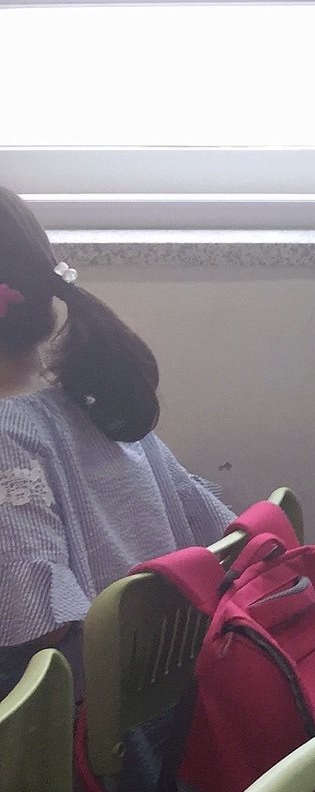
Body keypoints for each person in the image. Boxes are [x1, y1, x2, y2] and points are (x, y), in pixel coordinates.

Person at [0, 186, 231, 690]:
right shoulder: (93, 394)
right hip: (165, 683)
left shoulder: (7, 436)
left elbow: (41, 627)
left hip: (76, 704)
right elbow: (220, 534)